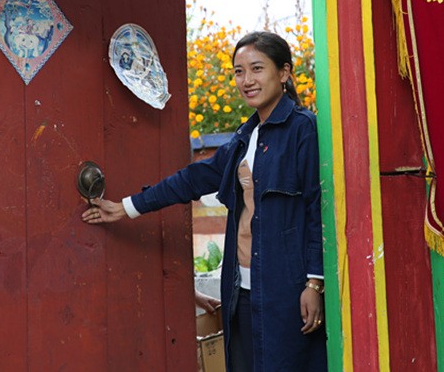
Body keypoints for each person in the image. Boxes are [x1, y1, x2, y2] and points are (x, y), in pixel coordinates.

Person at [82, 31, 327, 372]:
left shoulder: (303, 129)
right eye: (239, 71)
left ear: (284, 72)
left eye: (257, 69)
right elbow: (192, 179)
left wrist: (314, 283)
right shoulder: (245, 137)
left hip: (285, 290)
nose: (247, 80)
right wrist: (126, 207)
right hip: (241, 290)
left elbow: (317, 208)